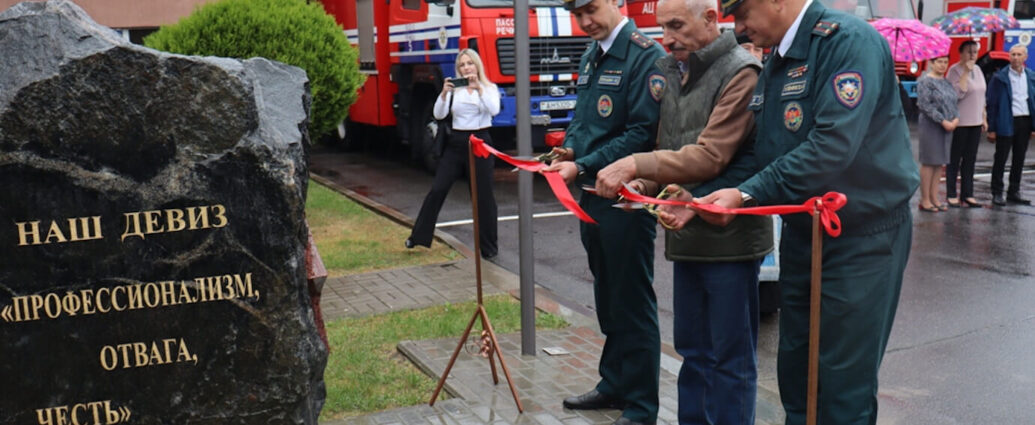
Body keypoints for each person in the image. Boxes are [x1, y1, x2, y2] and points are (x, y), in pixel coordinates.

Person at [694, 0, 920, 423]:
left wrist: (745, 195)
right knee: (797, 374)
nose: (738, 29)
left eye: (742, 14)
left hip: (861, 239)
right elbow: (767, 152)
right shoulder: (781, 56)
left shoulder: (846, 43)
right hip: (804, 233)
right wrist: (700, 199)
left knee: (840, 386)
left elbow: (832, 146)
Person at [592, 0, 773, 422]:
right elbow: (670, 146)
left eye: (675, 25)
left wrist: (636, 165)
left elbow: (711, 155)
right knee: (693, 352)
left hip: (729, 242)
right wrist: (643, 187)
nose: (666, 38)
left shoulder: (742, 72)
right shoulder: (677, 69)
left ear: (711, 19)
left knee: (729, 360)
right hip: (687, 236)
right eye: (662, 27)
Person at [541, 0, 665, 423]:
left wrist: (583, 164)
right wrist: (569, 149)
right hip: (592, 195)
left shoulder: (645, 55)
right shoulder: (594, 53)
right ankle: (614, 384)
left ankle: (642, 405)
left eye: (591, 9)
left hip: (625, 199)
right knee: (608, 295)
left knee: (632, 300)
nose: (585, 21)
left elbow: (641, 133)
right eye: (577, 15)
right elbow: (584, 119)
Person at [406, 49, 501, 258]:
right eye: (462, 65)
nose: (466, 68)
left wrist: (479, 89)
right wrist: (443, 93)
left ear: (477, 65)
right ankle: (418, 236)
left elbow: (494, 110)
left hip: (480, 141)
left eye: (470, 63)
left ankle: (489, 248)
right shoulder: (455, 90)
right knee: (438, 188)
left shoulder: (489, 88)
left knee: (483, 196)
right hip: (457, 143)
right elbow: (439, 114)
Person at [986, 44, 1034, 206]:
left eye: (1019, 55)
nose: (1015, 58)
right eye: (1013, 54)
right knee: (1001, 157)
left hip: (1024, 120)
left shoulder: (1030, 76)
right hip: (1006, 119)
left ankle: (1014, 191)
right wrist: (992, 128)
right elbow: (992, 104)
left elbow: (1032, 100)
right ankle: (997, 192)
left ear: (1025, 57)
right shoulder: (1000, 77)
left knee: (1019, 157)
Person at [945, 40, 987, 208]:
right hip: (960, 122)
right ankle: (951, 194)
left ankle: (968, 194)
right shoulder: (954, 70)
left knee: (970, 159)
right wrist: (965, 73)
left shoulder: (978, 70)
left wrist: (984, 117)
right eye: (969, 52)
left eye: (975, 52)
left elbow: (982, 95)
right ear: (961, 53)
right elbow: (955, 95)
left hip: (976, 121)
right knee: (955, 159)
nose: (972, 55)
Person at [916, 55, 959, 212]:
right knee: (929, 162)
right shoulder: (925, 81)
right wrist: (942, 120)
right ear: (931, 63)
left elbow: (953, 102)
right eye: (939, 62)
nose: (943, 65)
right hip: (931, 125)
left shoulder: (946, 82)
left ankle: (934, 197)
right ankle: (925, 199)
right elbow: (925, 105)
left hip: (947, 125)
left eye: (945, 62)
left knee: (939, 162)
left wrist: (956, 119)